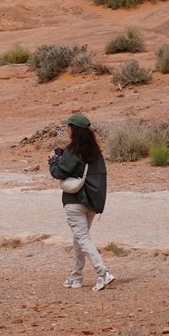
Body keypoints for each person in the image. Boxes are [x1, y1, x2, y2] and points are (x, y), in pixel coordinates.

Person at [49, 113, 112, 291]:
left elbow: (59, 172)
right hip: (91, 203)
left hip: (75, 201)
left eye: (68, 127)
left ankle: (103, 273)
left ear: (72, 129)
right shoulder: (96, 153)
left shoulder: (73, 150)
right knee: (79, 240)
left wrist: (53, 161)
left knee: (82, 239)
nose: (66, 129)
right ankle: (75, 277)